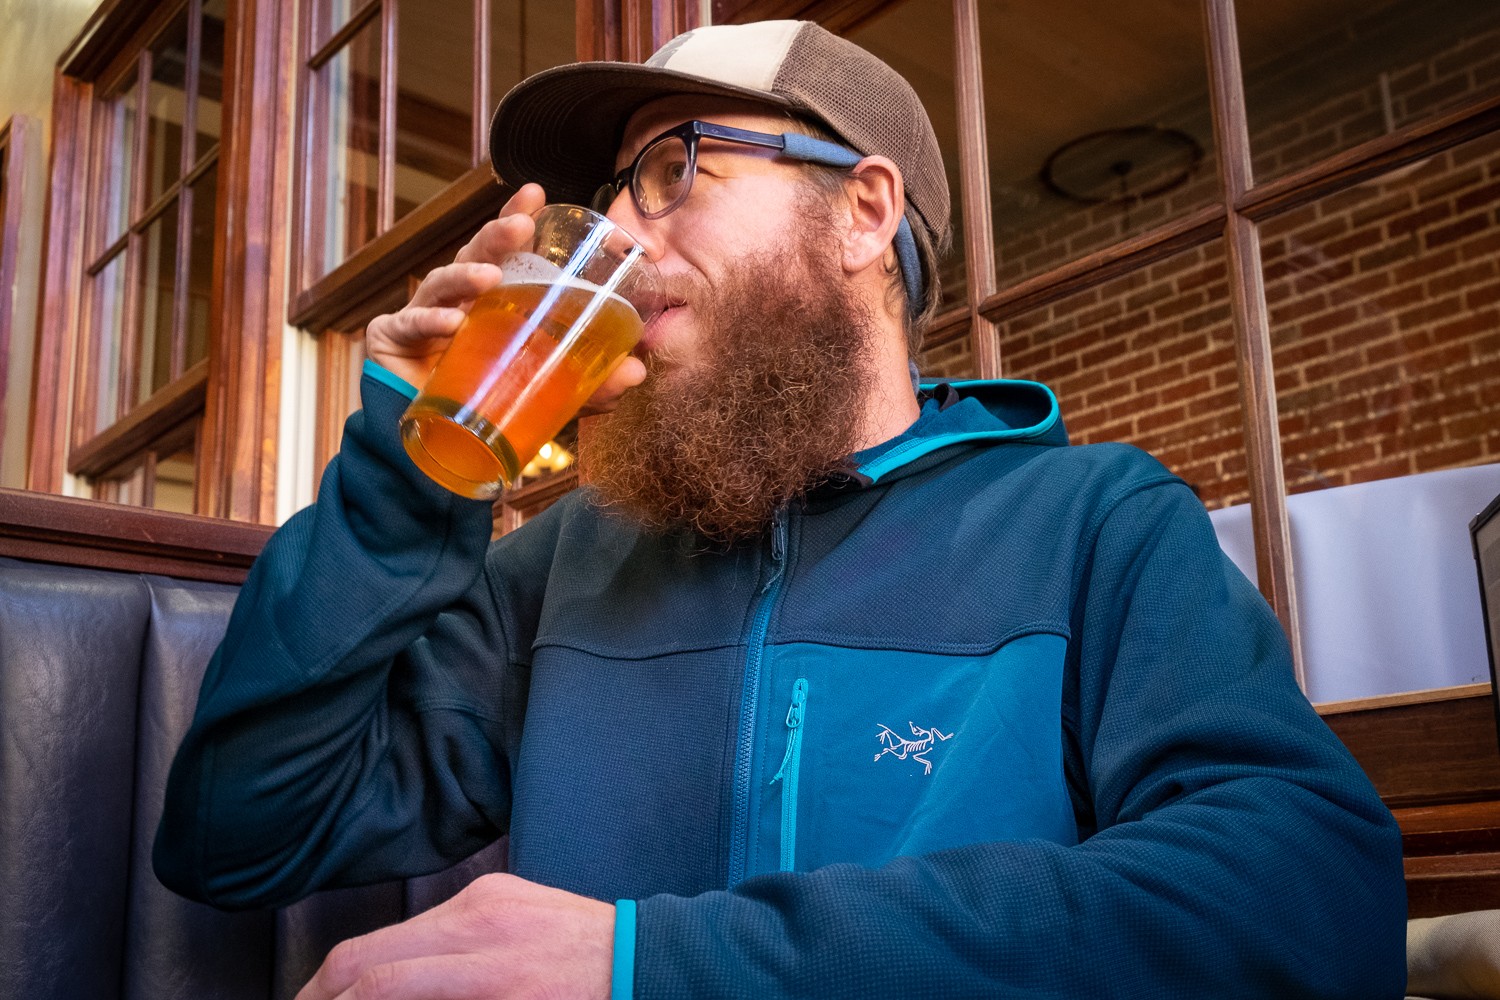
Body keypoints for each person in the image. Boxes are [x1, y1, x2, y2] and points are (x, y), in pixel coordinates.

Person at [155, 19, 1408, 999]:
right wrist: (407, 475)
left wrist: (655, 967)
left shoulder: (1092, 524)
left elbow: (1308, 899)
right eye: (613, 191)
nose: (620, 235)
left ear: (862, 212)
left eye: (671, 169)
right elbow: (239, 833)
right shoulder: (570, 560)